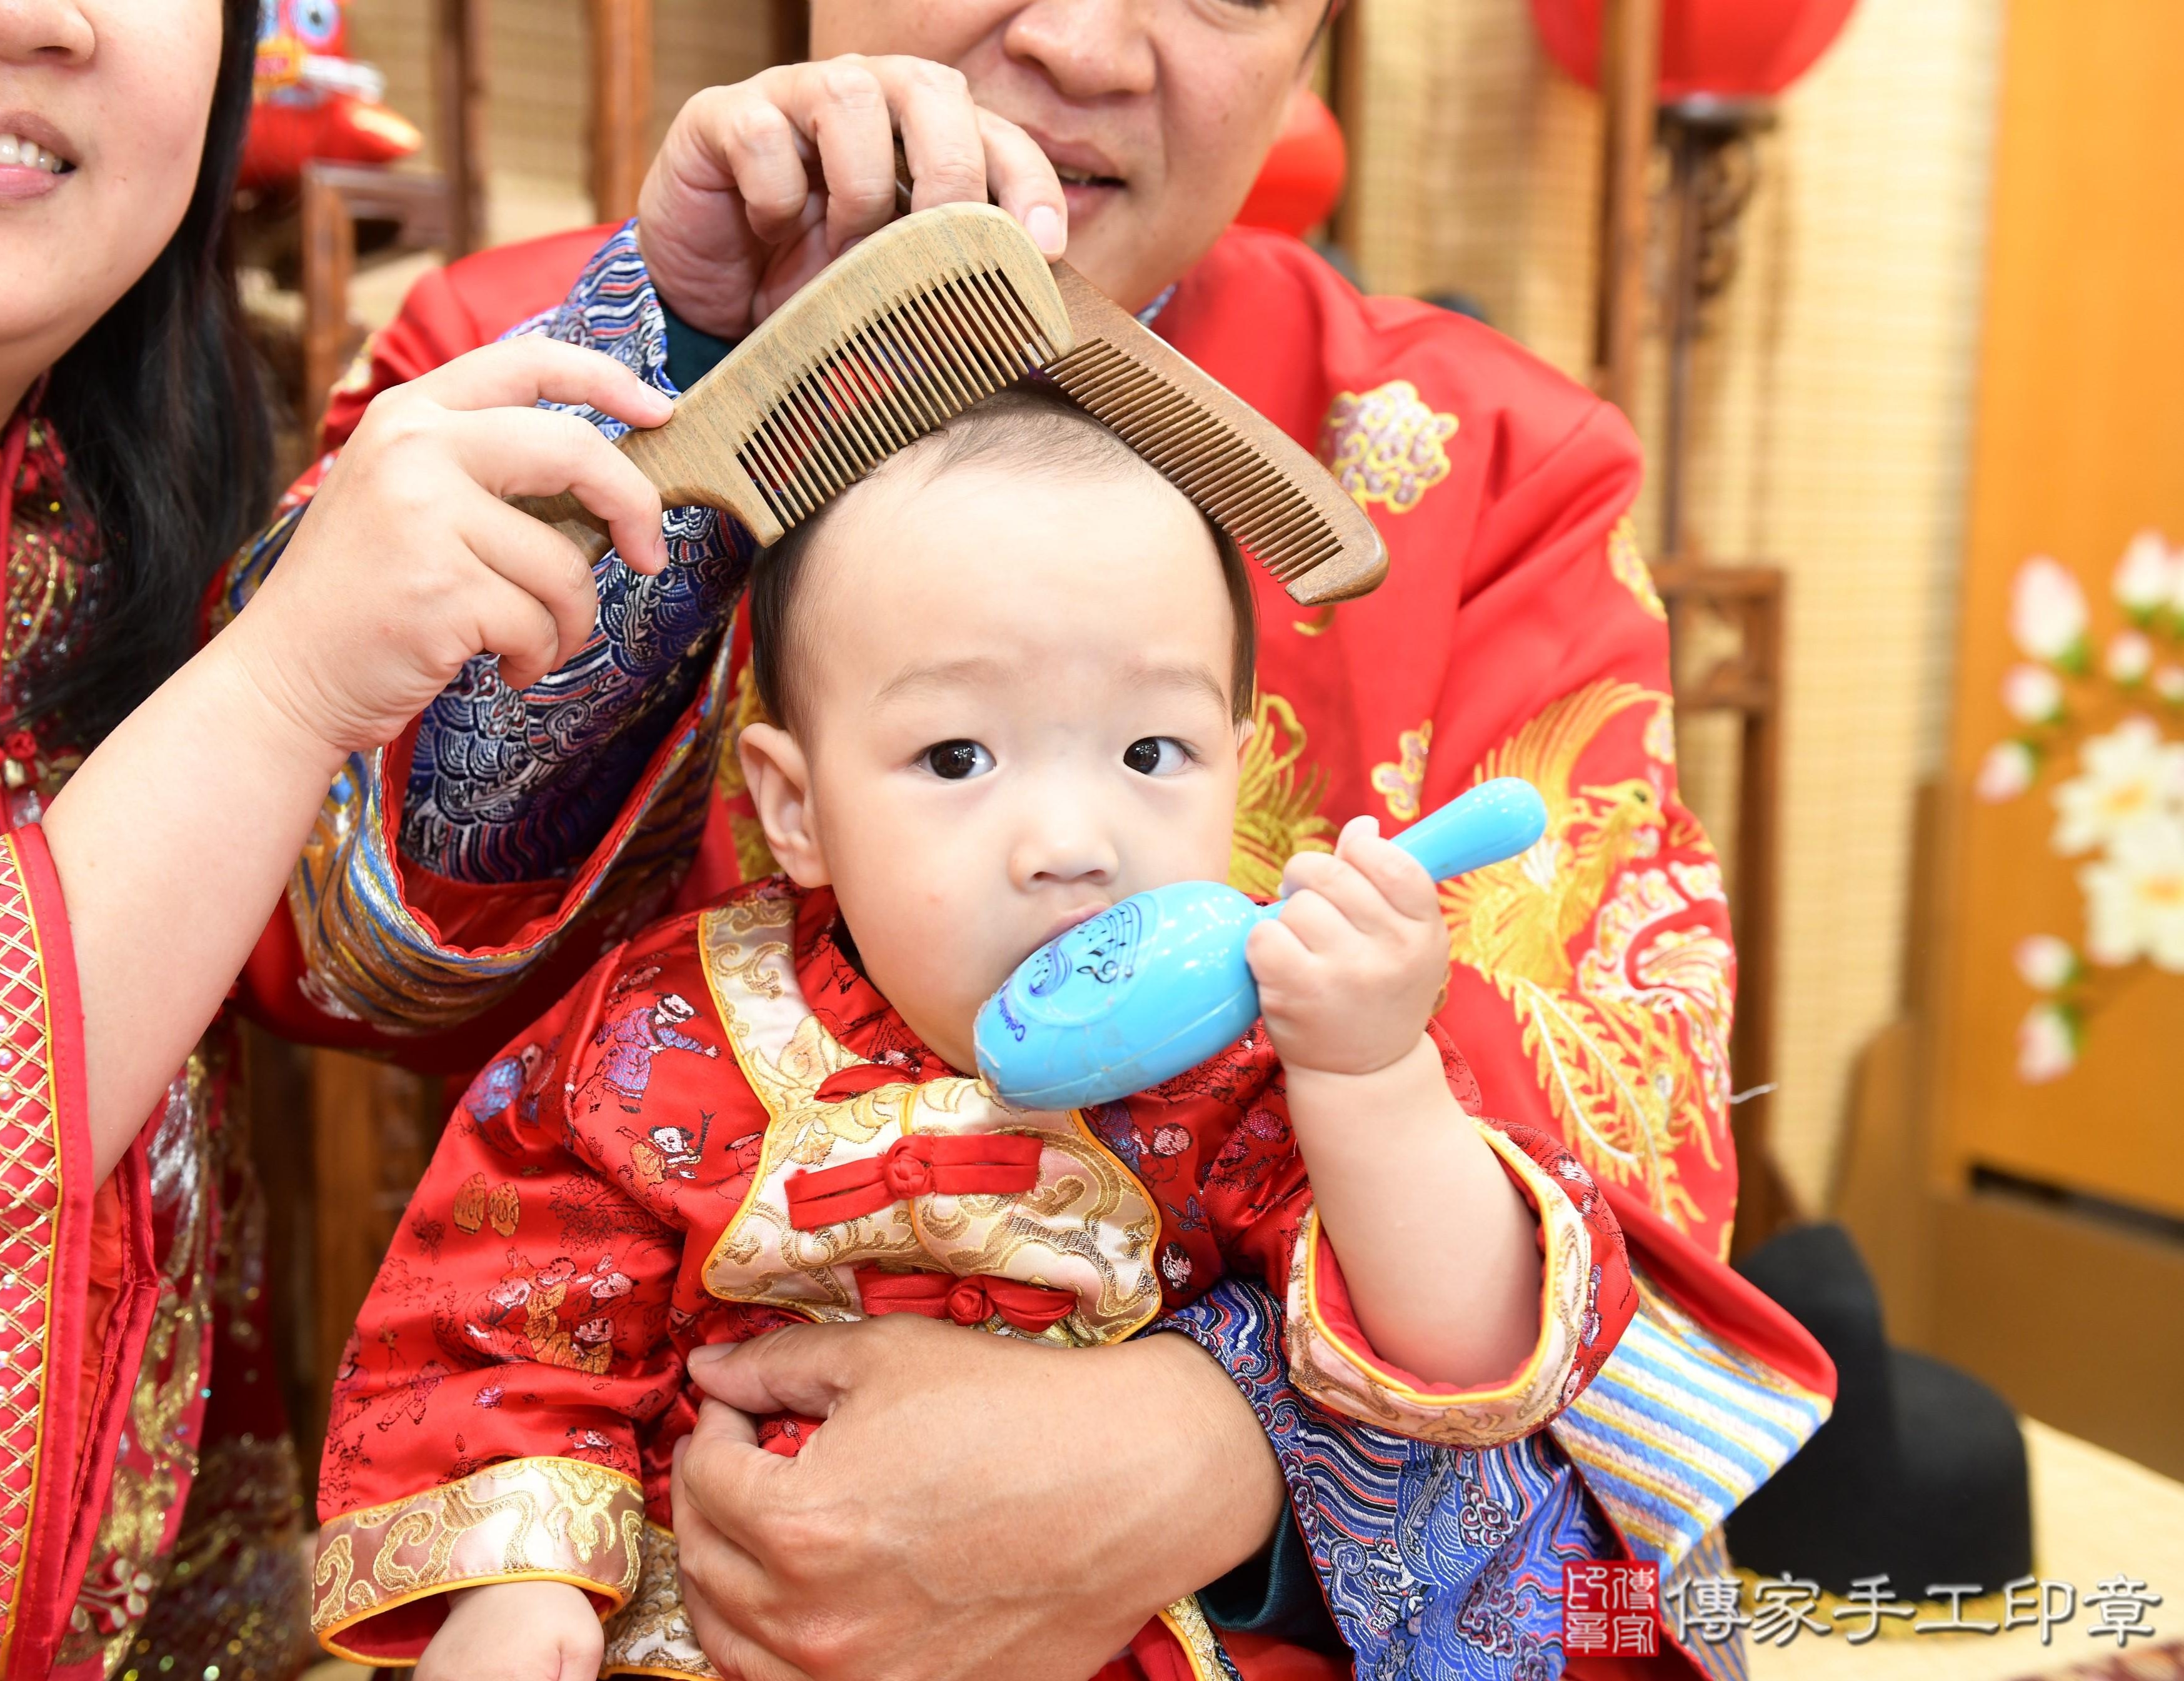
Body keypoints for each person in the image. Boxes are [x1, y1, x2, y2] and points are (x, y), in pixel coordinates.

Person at [268, 4, 1840, 1678]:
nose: (1090, 43)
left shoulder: (1499, 469)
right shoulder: (520, 360)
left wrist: (1216, 1440)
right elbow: (312, 949)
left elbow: (1600, 1198)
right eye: (953, 756)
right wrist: (682, 354)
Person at [0, 2, 680, 1672]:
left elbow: (392, 950)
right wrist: (268, 699)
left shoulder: (123, 519)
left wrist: (690, 326)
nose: (26, 16)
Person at [313, 388, 1636, 1681]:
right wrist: (523, 1581)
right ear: (795, 808)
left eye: (1151, 753)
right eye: (956, 758)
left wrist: (1371, 1072)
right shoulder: (661, 1035)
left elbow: (1462, 1348)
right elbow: (510, 1319)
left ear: (1237, 771)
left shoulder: (1263, 1053)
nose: (1070, 844)